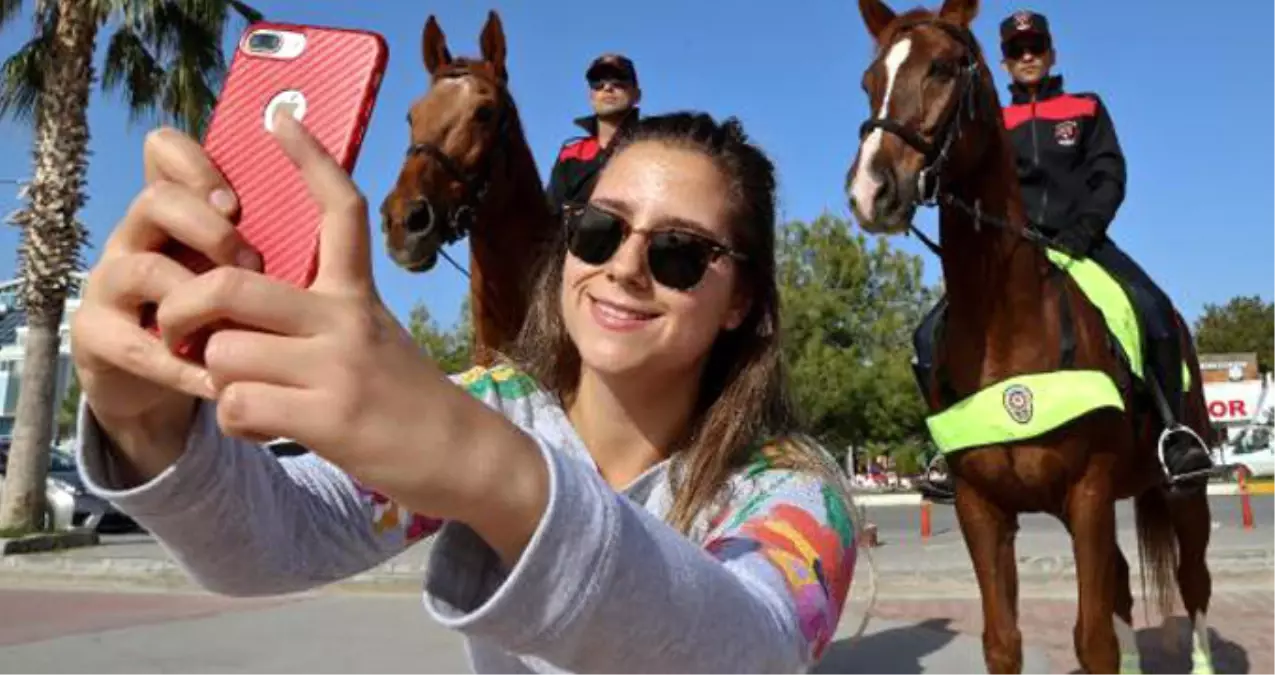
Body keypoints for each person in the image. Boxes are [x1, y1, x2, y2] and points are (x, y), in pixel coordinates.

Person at [70, 109, 866, 674]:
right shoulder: (493, 403)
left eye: (680, 253)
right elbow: (269, 543)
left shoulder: (790, 487)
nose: (622, 267)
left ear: (741, 303)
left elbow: (753, 650)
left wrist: (497, 476)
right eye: (597, 229)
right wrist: (148, 423)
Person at [996, 9, 1214, 486]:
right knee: (931, 334)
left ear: (1051, 53)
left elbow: (1109, 176)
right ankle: (948, 453)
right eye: (1017, 50)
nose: (1027, 55)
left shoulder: (1087, 107)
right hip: (1016, 253)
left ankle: (1175, 435)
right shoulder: (994, 121)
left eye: (1035, 47)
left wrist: (1083, 230)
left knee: (1155, 312)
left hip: (1086, 242)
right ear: (1004, 61)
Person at [544, 53, 641, 225]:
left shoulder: (651, 148)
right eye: (598, 83)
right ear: (591, 96)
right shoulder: (571, 153)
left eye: (619, 81)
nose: (607, 88)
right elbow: (550, 216)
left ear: (636, 95)